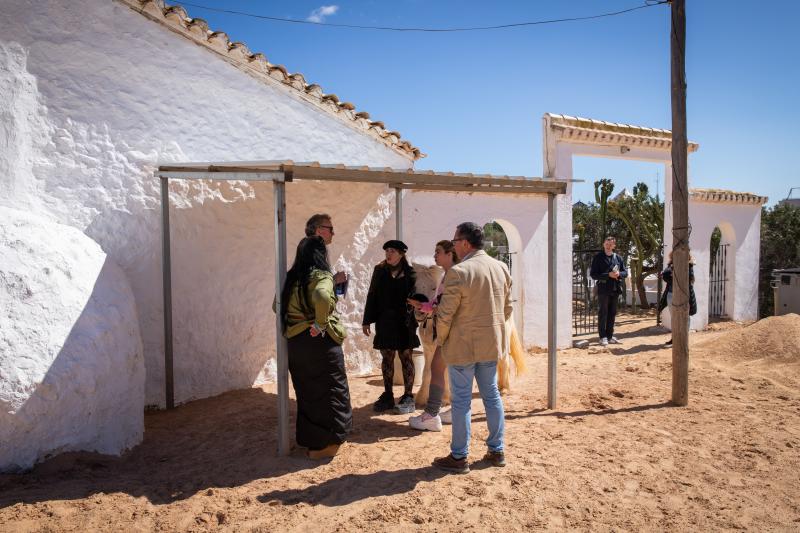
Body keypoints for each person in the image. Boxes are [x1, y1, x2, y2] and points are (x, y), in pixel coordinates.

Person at [432, 222, 512, 474]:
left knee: (462, 402)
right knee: (491, 396)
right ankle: (497, 450)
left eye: (455, 241)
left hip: (462, 346)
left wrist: (441, 339)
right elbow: (508, 308)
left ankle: (459, 456)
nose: (453, 245)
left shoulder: (459, 271)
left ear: (465, 243)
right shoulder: (501, 267)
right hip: (491, 344)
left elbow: (445, 315)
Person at [280, 236, 352, 459]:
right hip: (319, 341)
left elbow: (277, 305)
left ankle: (312, 442)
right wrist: (320, 323)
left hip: (296, 343)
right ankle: (326, 445)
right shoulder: (321, 276)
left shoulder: (291, 278)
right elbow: (321, 295)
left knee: (307, 392)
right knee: (331, 390)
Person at [406, 240, 460, 431]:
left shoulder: (454, 274)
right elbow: (439, 302)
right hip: (449, 329)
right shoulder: (447, 275)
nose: (435, 255)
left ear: (449, 254)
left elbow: (446, 305)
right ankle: (455, 410)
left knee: (439, 369)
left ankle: (432, 415)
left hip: (450, 331)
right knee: (453, 370)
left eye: (438, 252)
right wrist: (422, 306)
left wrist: (429, 308)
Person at [362, 240, 421, 414]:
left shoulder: (411, 273)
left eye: (392, 251)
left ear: (402, 254)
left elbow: (419, 297)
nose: (388, 254)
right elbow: (372, 295)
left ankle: (408, 396)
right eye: (387, 250)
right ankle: (388, 395)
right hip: (385, 321)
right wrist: (367, 320)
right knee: (387, 358)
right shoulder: (379, 271)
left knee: (406, 357)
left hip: (405, 322)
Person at [590, 236, 628, 347]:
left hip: (615, 289)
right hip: (603, 290)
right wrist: (608, 275)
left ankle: (610, 336)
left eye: (611, 244)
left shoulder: (618, 258)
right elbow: (593, 274)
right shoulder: (598, 257)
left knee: (612, 313)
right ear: (603, 244)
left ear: (614, 246)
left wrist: (619, 274)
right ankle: (602, 337)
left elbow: (625, 272)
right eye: (607, 243)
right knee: (603, 313)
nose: (608, 245)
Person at [659, 251, 698, 346]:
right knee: (674, 318)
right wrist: (673, 272)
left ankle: (684, 339)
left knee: (686, 317)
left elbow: (689, 278)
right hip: (671, 295)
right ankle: (674, 339)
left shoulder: (689, 265)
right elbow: (665, 276)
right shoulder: (670, 264)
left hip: (684, 296)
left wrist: (675, 273)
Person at [305, 213, 347, 286]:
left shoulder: (314, 249)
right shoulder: (312, 251)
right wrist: (335, 280)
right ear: (319, 231)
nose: (333, 233)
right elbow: (312, 287)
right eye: (331, 229)